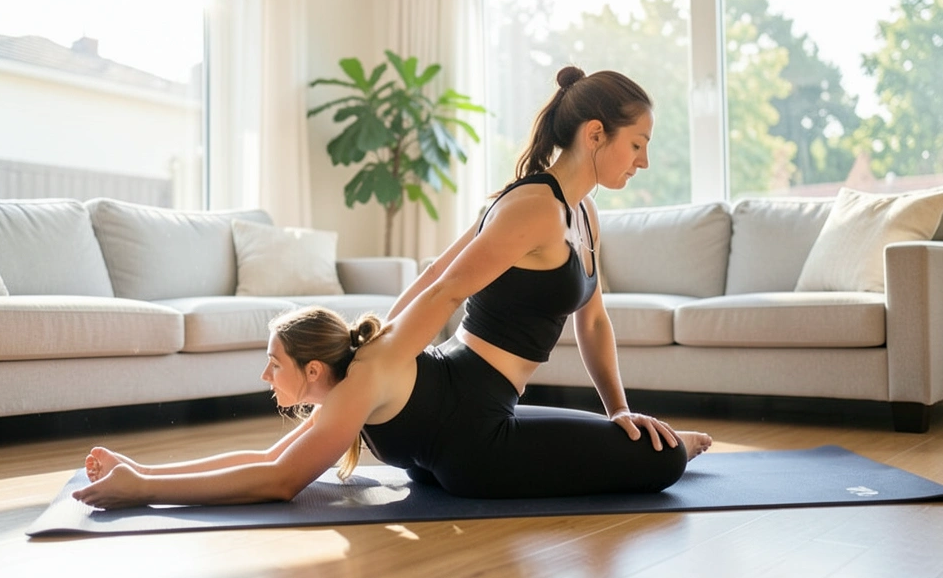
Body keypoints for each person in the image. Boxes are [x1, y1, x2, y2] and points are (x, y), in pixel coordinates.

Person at [72, 66, 711, 509]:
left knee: (633, 436)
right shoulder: (535, 207)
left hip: (476, 405)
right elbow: (445, 285)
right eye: (637, 143)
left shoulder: (582, 214)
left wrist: (617, 410)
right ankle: (676, 445)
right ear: (594, 133)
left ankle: (142, 472)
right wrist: (385, 353)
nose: (643, 160)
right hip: (469, 430)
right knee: (661, 462)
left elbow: (592, 322)